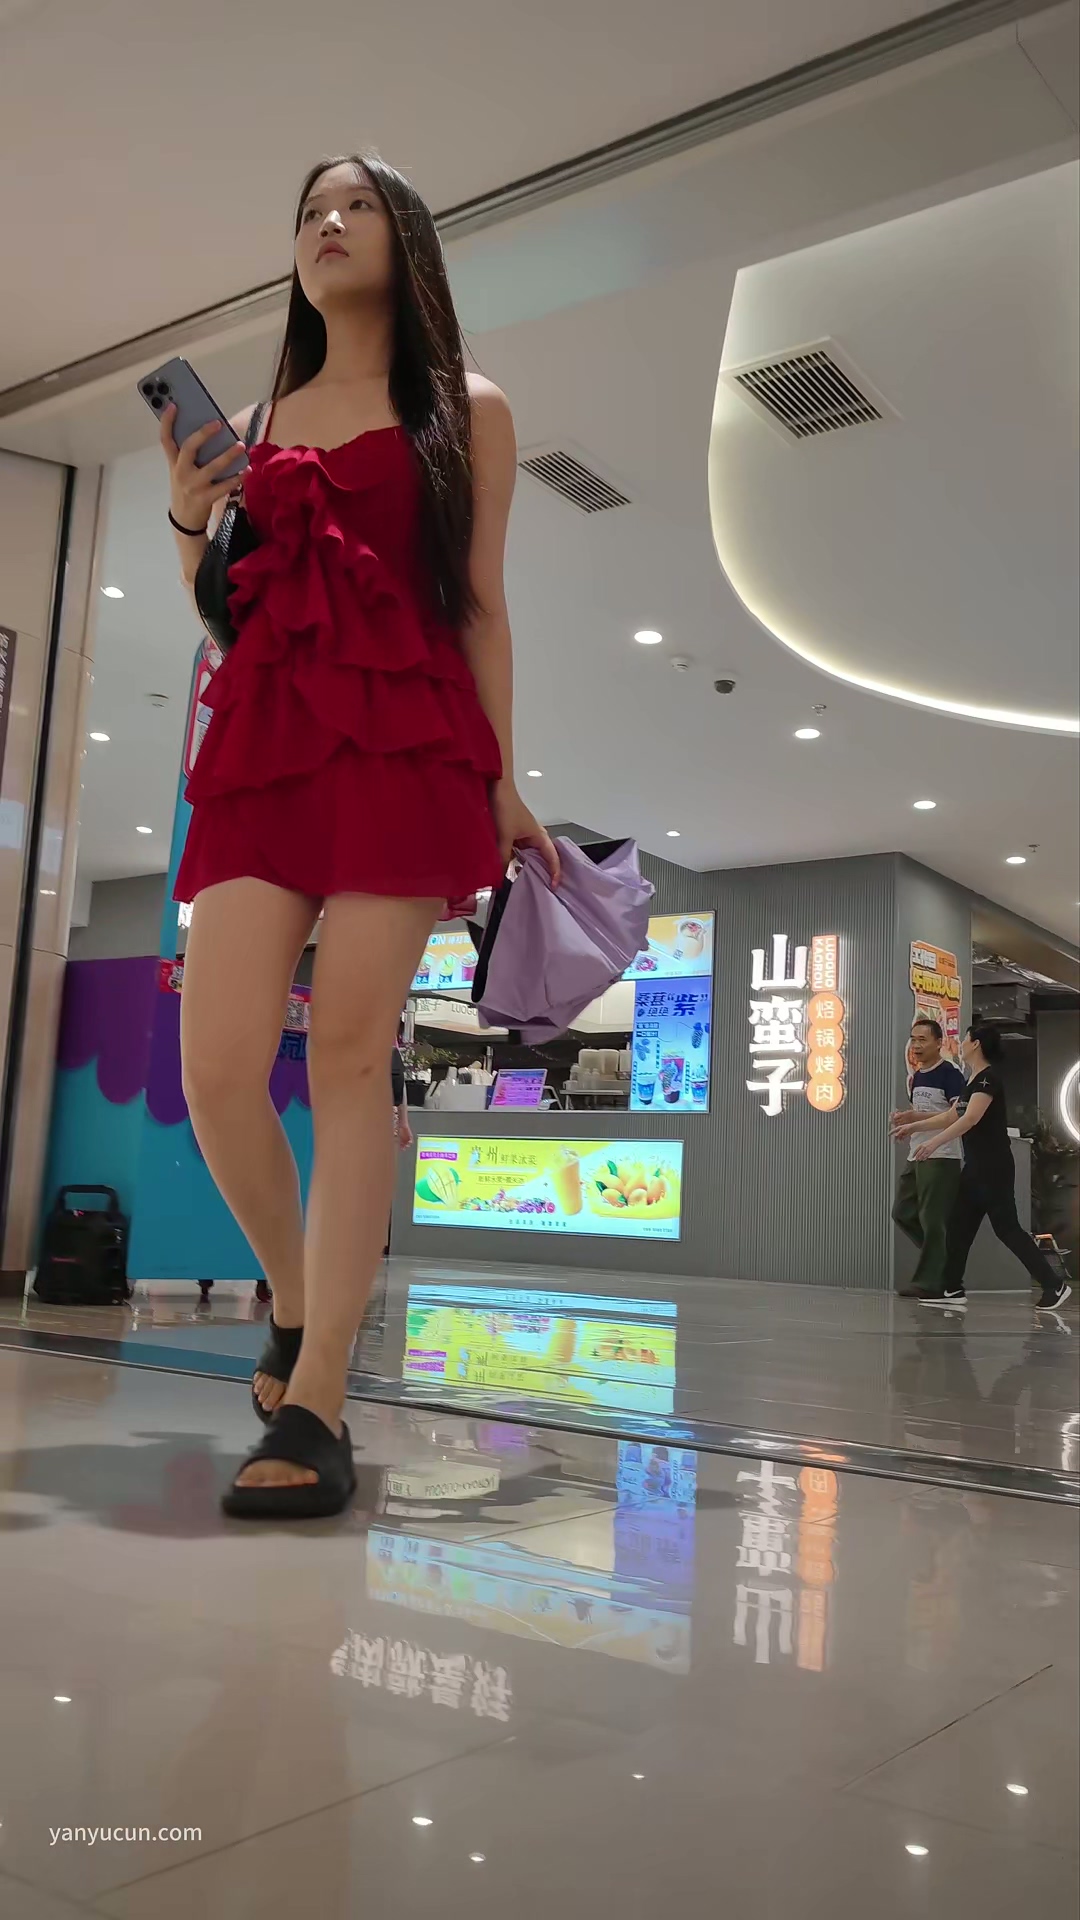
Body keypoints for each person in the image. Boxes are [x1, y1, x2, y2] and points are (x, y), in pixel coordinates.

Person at [160, 153, 559, 1519]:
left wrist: (504, 777)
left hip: (407, 747)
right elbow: (228, 614)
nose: (327, 225)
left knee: (345, 1054)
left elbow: (480, 603)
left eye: (357, 206)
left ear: (407, 240)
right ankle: (294, 1297)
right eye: (309, 212)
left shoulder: (467, 410)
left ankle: (320, 1393)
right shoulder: (256, 420)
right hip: (268, 740)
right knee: (217, 1067)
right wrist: (189, 514)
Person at [894, 1023, 1071, 1312]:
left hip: (993, 1167)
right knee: (958, 1227)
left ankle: (1054, 1285)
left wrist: (934, 1143)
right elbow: (951, 1115)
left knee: (1007, 1229)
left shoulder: (989, 1079)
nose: (961, 1044)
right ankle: (951, 1288)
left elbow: (970, 1118)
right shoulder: (972, 1080)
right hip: (975, 1166)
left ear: (975, 1044)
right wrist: (913, 1126)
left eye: (964, 1039)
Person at [890, 1017, 967, 1299]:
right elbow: (922, 1113)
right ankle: (943, 1262)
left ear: (939, 1043)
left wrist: (915, 1118)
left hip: (942, 1154)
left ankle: (930, 1282)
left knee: (932, 1219)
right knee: (902, 1211)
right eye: (913, 1039)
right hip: (917, 1153)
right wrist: (905, 1118)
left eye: (923, 1039)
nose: (916, 1045)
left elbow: (957, 1114)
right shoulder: (916, 1076)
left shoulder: (951, 1073)